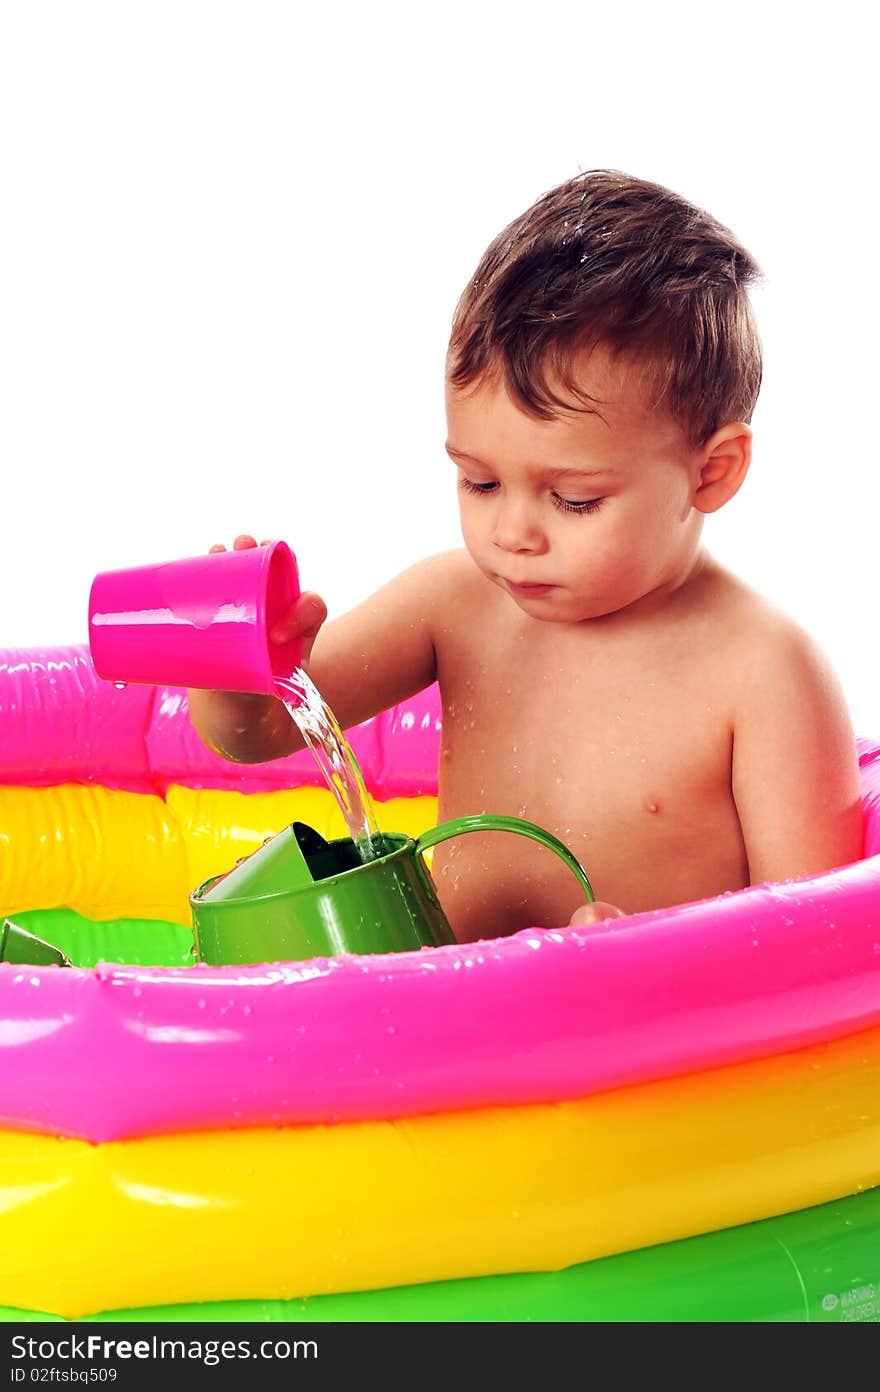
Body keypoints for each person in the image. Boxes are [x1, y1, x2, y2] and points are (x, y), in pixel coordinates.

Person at [188, 170, 863, 943]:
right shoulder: (454, 603)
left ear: (711, 472)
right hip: (455, 1036)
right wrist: (240, 672)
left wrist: (652, 964)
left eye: (573, 500)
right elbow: (258, 738)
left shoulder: (766, 674)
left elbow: (817, 944)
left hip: (653, 1052)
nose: (512, 533)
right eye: (479, 481)